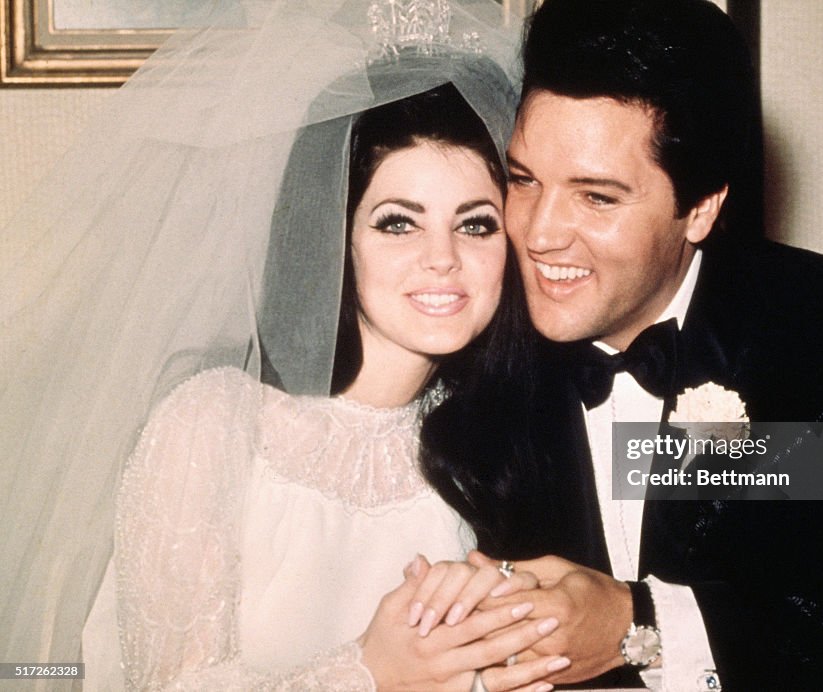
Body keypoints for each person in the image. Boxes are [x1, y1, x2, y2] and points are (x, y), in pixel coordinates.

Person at [422, 0, 823, 689]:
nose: (537, 234)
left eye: (596, 198)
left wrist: (639, 627)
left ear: (701, 206)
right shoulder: (468, 333)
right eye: (524, 179)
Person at [0, 1, 564, 690]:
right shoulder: (216, 425)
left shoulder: (505, 433)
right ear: (331, 234)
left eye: (475, 225)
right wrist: (368, 672)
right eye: (397, 224)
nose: (441, 259)